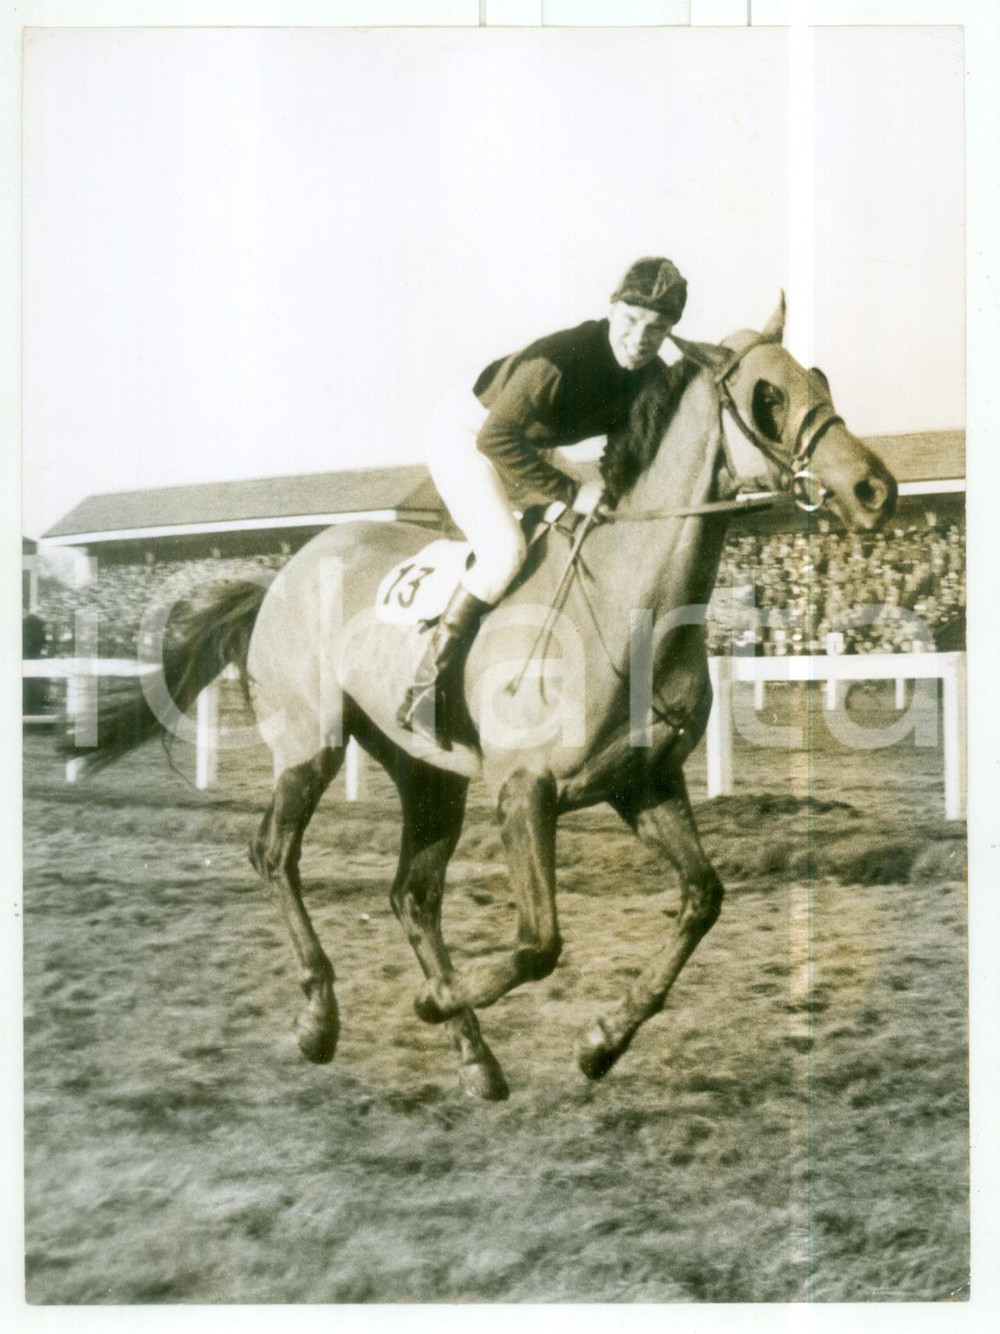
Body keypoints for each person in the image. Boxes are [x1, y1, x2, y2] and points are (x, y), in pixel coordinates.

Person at [398, 256, 688, 746]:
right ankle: (426, 685)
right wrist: (573, 491)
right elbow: (496, 439)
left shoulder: (651, 376)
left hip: (531, 445)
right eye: (631, 320)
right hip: (471, 435)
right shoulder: (561, 357)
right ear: (611, 308)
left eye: (657, 329)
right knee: (505, 550)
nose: (640, 339)